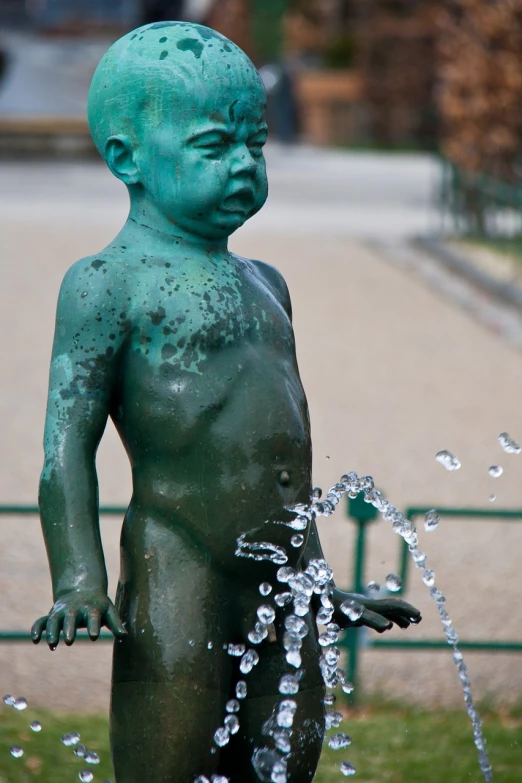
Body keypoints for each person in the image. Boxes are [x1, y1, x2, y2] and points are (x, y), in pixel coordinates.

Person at [31, 22, 421, 782]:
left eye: (257, 144)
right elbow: (65, 445)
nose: (244, 165)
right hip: (178, 553)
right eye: (215, 147)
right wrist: (79, 578)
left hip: (287, 567)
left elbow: (276, 451)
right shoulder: (107, 283)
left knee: (286, 760)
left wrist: (320, 580)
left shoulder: (268, 281)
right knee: (169, 756)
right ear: (126, 158)